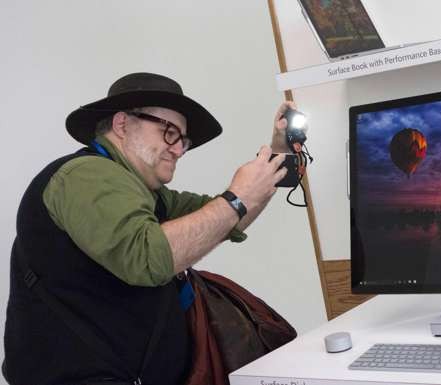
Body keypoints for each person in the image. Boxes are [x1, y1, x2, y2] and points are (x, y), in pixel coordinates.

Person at [3, 72, 294, 385]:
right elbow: (146, 257)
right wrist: (237, 199)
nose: (178, 149)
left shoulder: (148, 194)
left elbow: (222, 219)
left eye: (183, 140)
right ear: (122, 124)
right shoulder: (86, 175)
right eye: (169, 133)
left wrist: (277, 156)